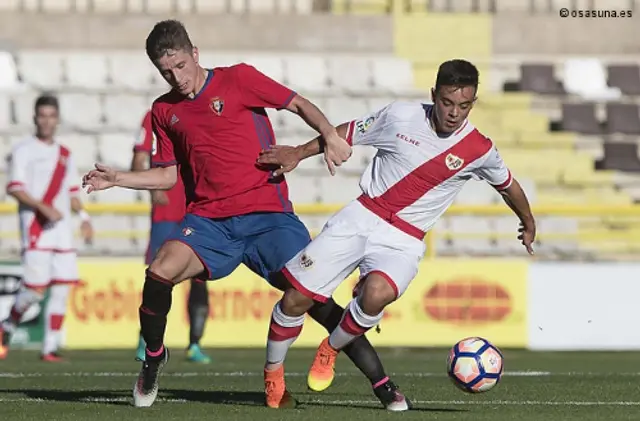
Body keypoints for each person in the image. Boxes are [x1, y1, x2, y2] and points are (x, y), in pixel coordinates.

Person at [82, 19, 410, 411]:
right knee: (158, 272)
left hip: (268, 216)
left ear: (195, 54)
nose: (177, 77)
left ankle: (383, 383)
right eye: (166, 72)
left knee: (316, 300)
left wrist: (329, 134)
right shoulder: (163, 111)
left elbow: (299, 103)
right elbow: (170, 175)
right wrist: (119, 178)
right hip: (209, 222)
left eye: (181, 66)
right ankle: (153, 357)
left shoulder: (238, 79)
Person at [256, 59, 537, 407]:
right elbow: (349, 132)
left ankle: (331, 348)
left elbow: (507, 186)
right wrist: (299, 152)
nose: (453, 113)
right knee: (295, 300)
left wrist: (528, 220)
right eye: (447, 103)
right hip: (361, 216)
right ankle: (273, 375)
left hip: (403, 237)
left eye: (463, 106)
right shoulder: (401, 116)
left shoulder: (478, 149)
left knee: (376, 294)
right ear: (434, 94)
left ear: (473, 103)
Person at [0, 94, 94, 361]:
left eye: (51, 116)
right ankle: (6, 326)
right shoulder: (23, 151)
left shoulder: (65, 155)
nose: (47, 121)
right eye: (42, 115)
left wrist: (85, 219)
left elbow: (73, 193)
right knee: (34, 291)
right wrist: (43, 207)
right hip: (36, 229)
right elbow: (15, 188)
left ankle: (49, 347)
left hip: (62, 232)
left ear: (57, 119)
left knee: (62, 288)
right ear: (35, 118)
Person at [131, 110, 211, 364]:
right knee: (158, 277)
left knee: (200, 279)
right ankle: (146, 339)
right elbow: (139, 156)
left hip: (196, 210)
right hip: (166, 213)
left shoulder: (202, 113)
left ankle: (195, 344)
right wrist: (150, 187)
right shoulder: (154, 116)